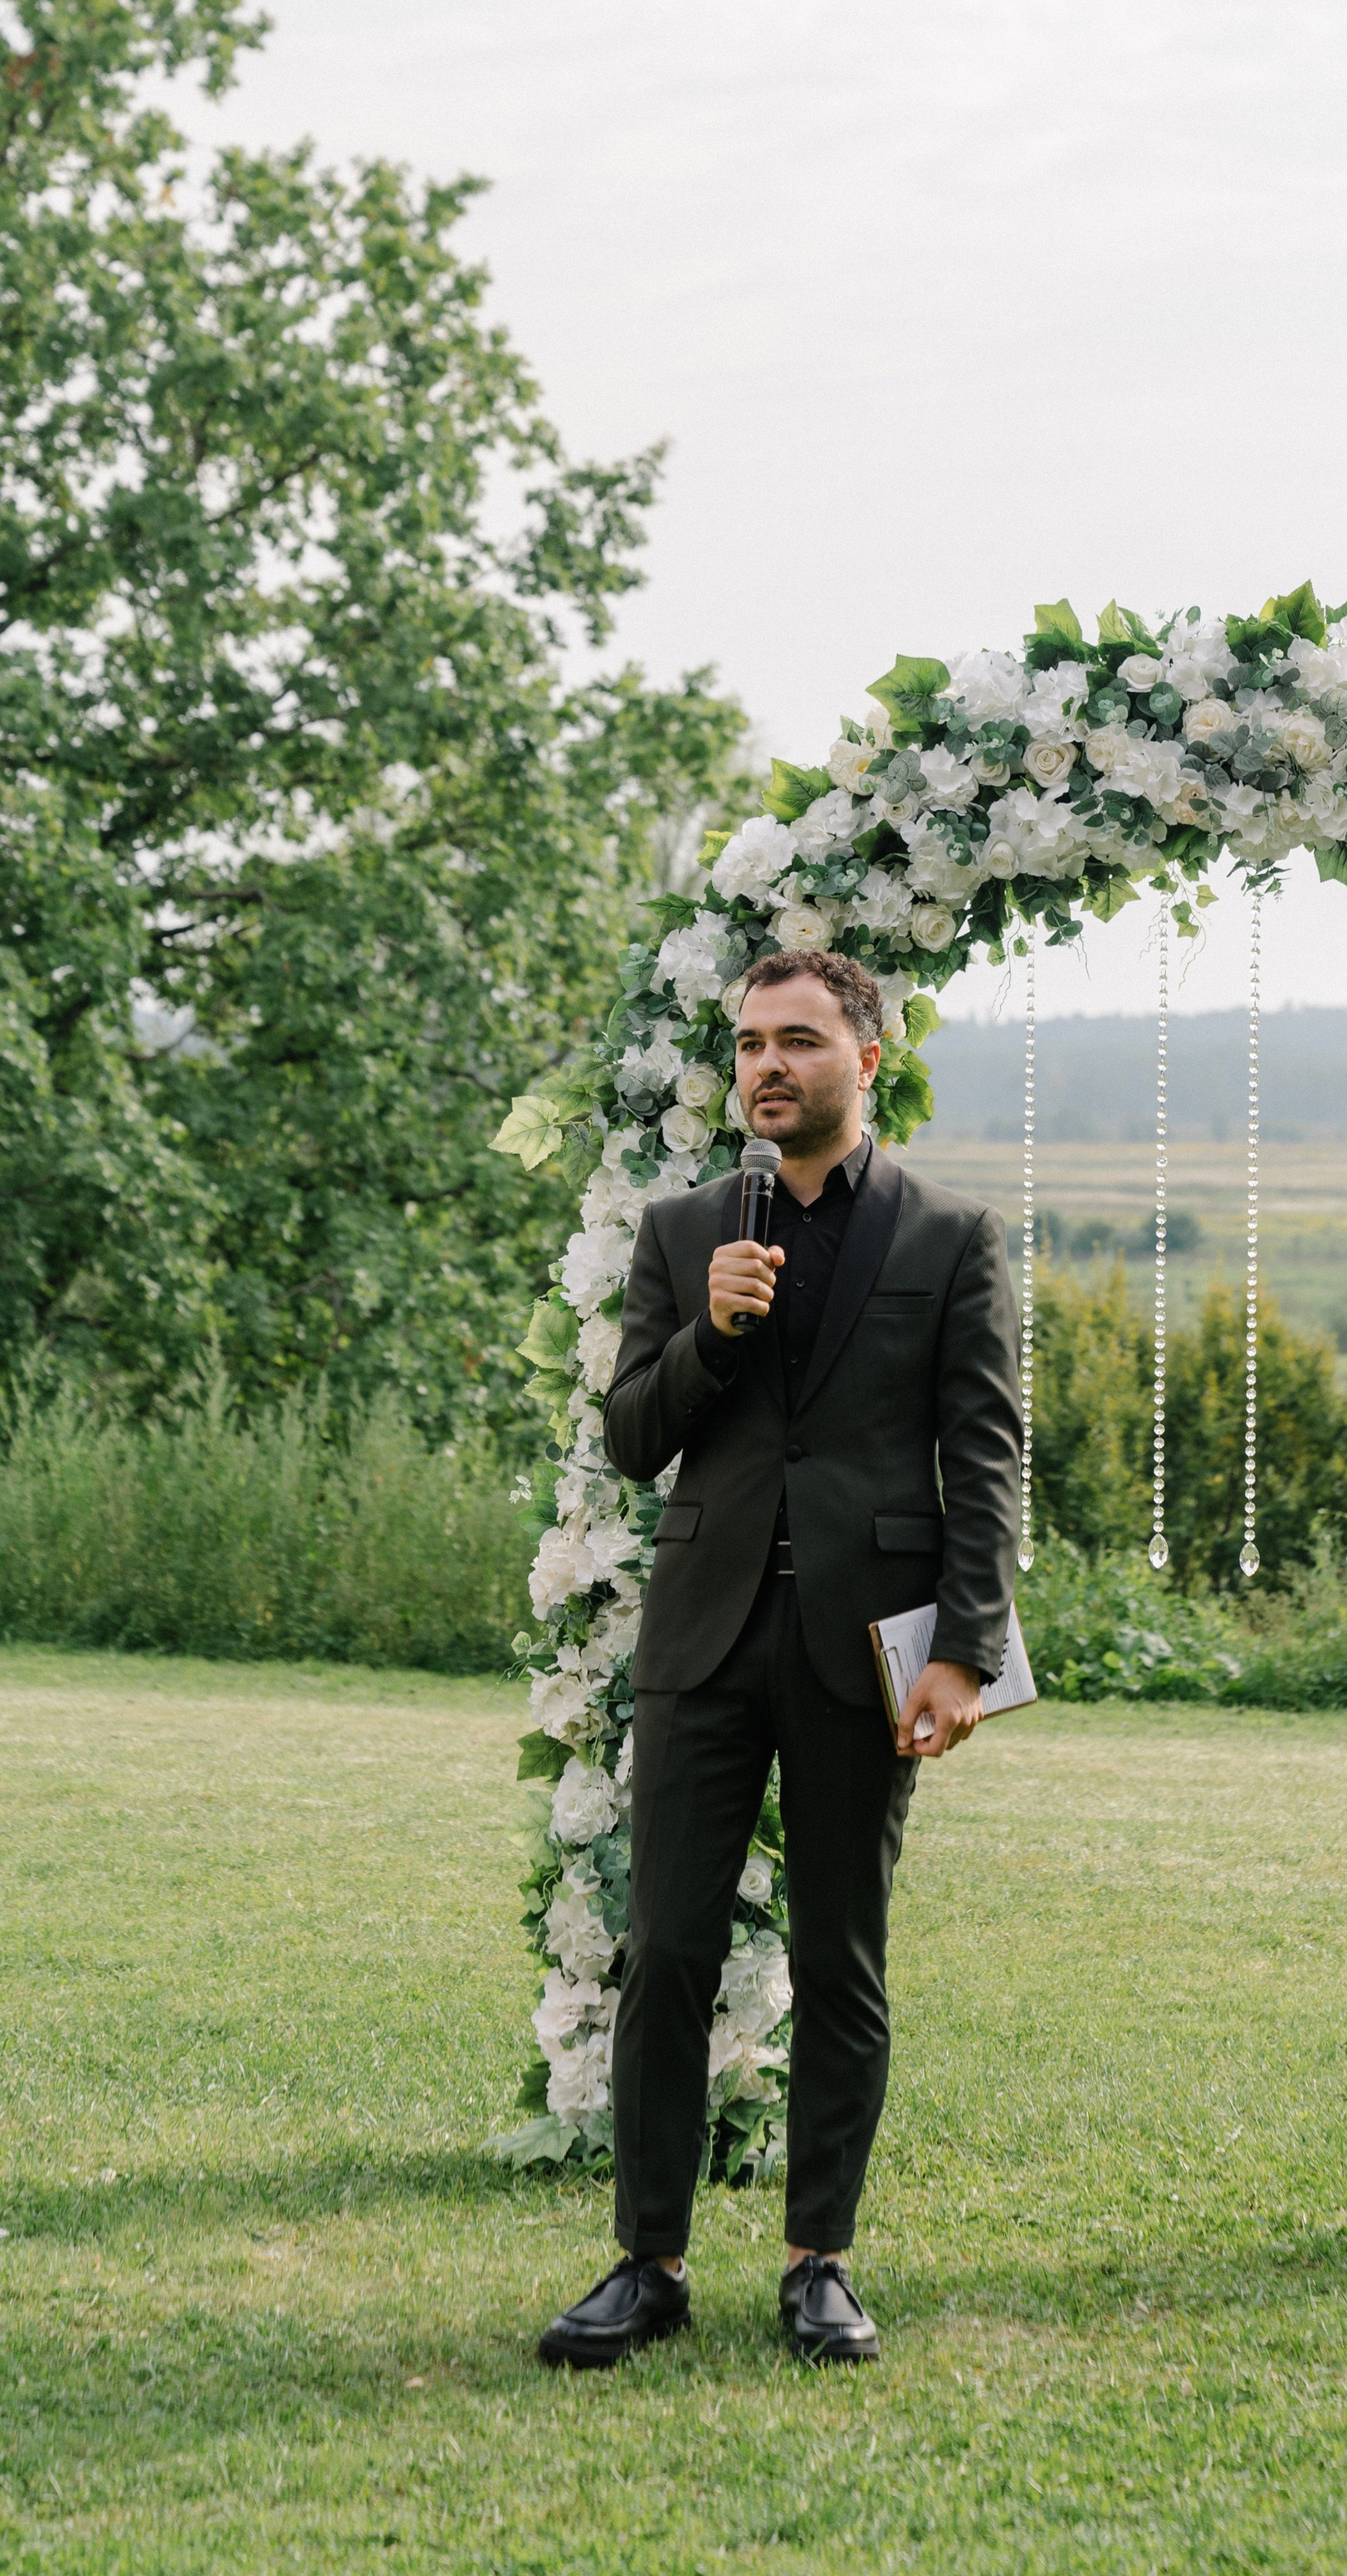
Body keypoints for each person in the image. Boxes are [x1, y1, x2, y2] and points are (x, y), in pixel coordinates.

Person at [536, 949, 1020, 2370]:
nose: (767, 1066)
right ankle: (648, 2261)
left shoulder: (952, 1234)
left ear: (867, 1055)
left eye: (799, 1041)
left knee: (841, 1953)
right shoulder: (687, 1228)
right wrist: (711, 1332)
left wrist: (967, 1654)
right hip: (704, 1635)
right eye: (749, 1043)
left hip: (869, 1646)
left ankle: (821, 2262)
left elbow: (983, 1457)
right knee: (670, 1946)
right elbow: (631, 1434)